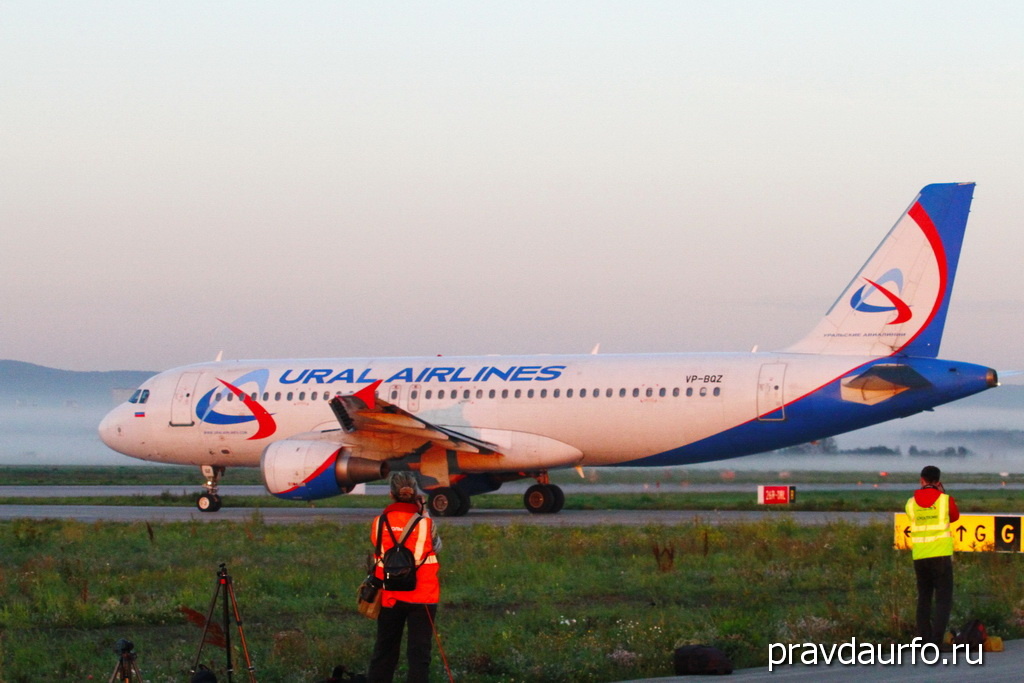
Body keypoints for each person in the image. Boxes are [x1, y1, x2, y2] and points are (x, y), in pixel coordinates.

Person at [367, 472, 441, 683]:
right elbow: (437, 547)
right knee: (419, 654)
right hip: (423, 596)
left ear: (391, 494)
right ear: (416, 495)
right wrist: (423, 512)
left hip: (390, 596)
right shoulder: (425, 523)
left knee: (384, 651)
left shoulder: (379, 522)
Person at [905, 465, 959, 647]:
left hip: (920, 556)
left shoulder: (910, 503)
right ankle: (936, 641)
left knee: (924, 598)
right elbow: (954, 517)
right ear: (938, 482)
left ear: (921, 480)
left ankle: (923, 639)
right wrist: (942, 493)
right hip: (940, 555)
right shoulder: (945, 500)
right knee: (943, 600)